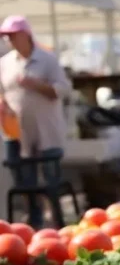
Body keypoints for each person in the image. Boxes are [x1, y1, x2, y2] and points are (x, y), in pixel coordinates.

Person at [0, 15, 72, 227]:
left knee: (51, 181)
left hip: (46, 131)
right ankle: (33, 224)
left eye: (13, 35)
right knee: (24, 182)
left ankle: (58, 223)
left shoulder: (47, 59)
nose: (9, 40)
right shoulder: (5, 63)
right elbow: (2, 92)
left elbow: (63, 89)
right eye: (6, 37)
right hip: (16, 133)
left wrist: (36, 85)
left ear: (26, 34)